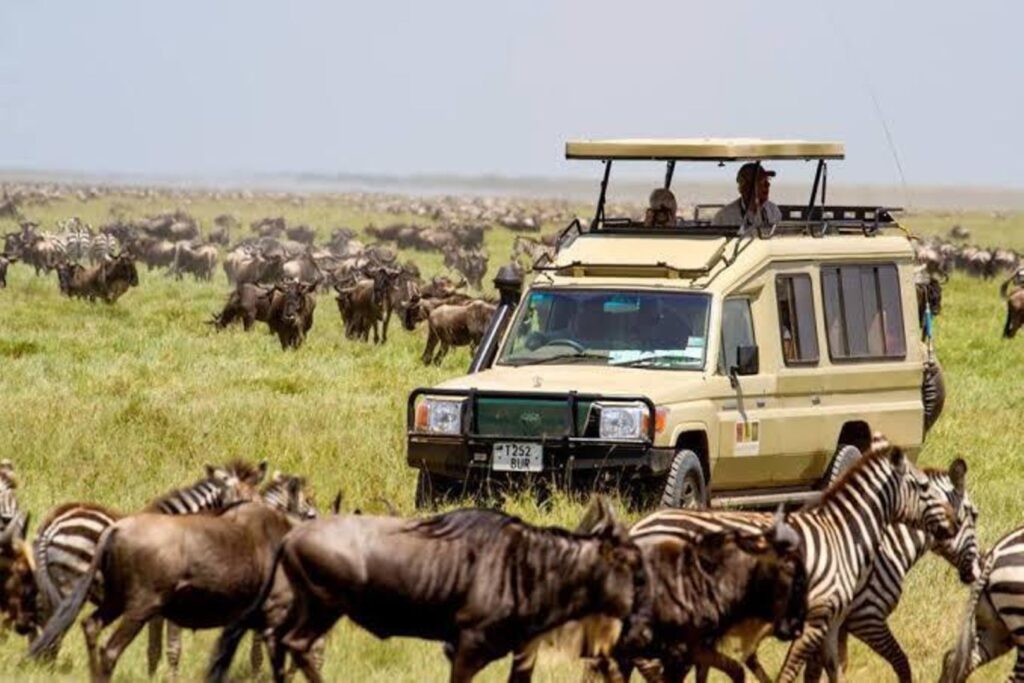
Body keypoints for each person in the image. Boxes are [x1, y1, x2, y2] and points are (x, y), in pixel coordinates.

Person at [712, 162, 782, 229]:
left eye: (767, 180)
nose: (767, 185)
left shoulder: (773, 210)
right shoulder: (724, 217)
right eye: (761, 180)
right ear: (745, 186)